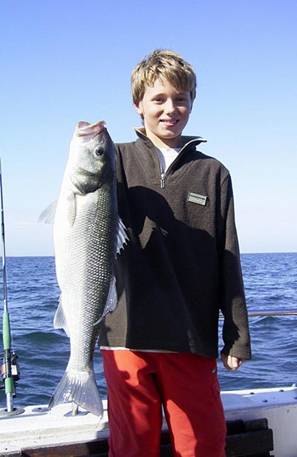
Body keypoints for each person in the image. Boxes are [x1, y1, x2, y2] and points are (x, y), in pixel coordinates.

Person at [99, 49, 251, 457]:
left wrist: (236, 334)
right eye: (158, 99)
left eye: (180, 99)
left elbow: (228, 256)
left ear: (192, 102)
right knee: (131, 448)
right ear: (138, 104)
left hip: (190, 336)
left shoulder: (213, 172)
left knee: (202, 446)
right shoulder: (113, 161)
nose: (170, 109)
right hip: (124, 336)